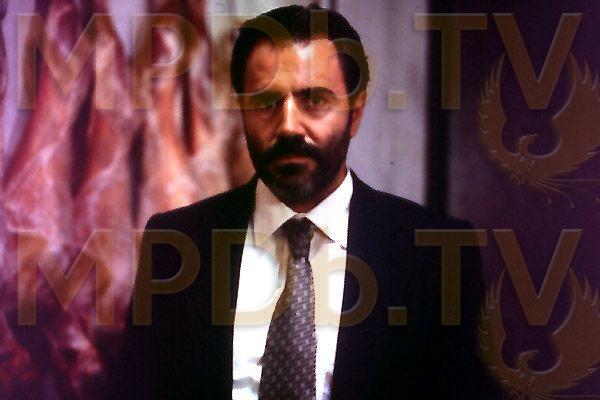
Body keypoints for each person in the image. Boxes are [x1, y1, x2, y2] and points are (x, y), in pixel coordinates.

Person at [109, 4, 501, 399]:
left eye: (314, 100)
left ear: (355, 113)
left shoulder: (435, 253)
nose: (288, 126)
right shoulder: (176, 244)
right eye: (266, 102)